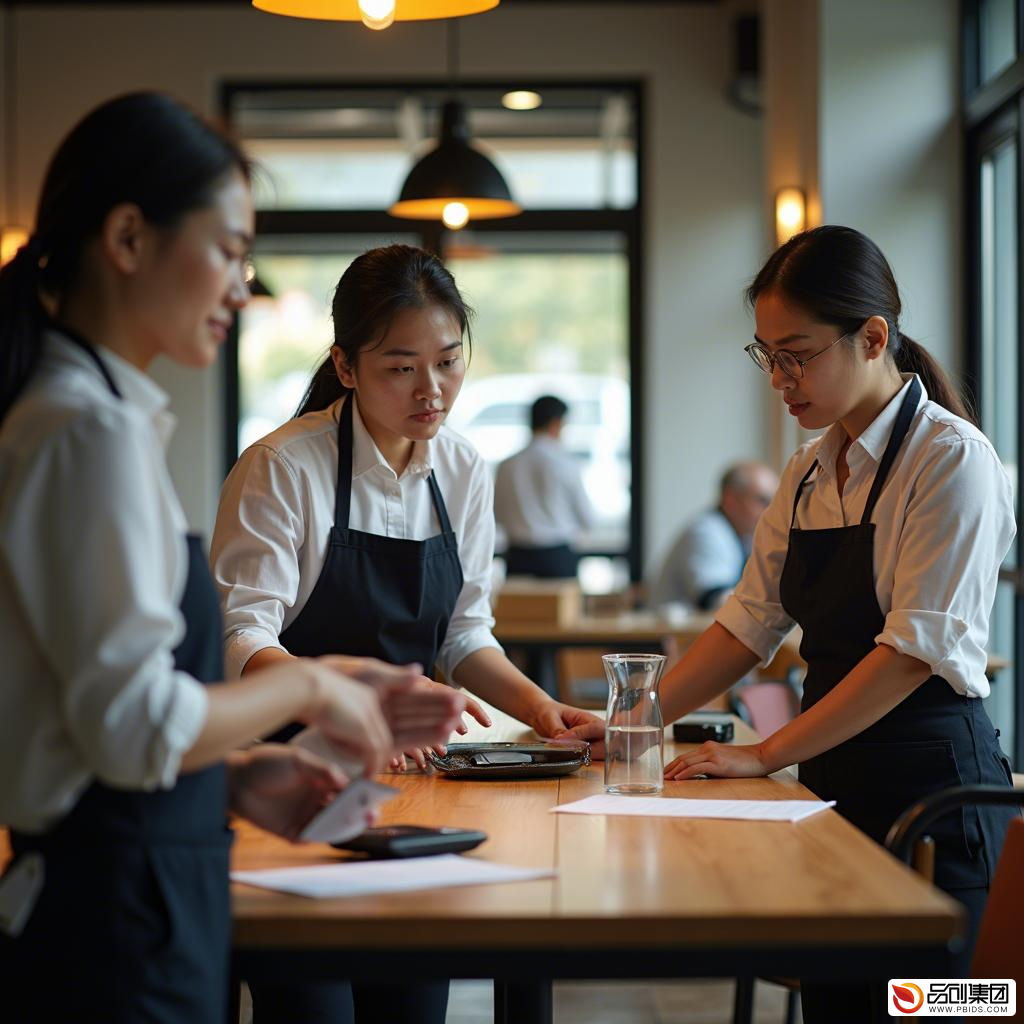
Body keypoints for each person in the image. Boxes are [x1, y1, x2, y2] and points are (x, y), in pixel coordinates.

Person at [0, 93, 465, 1024]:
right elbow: (131, 722)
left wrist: (239, 776)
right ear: (128, 238)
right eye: (227, 249)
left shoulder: (102, 419)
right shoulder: (82, 432)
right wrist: (311, 689)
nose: (241, 288)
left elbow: (90, 717)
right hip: (114, 913)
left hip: (141, 878)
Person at [560, 226, 1018, 1022]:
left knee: (938, 1010)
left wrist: (765, 754)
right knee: (842, 1007)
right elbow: (747, 624)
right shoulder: (810, 469)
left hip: (933, 789)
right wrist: (632, 722)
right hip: (833, 783)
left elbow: (912, 652)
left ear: (873, 337)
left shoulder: (952, 460)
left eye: (797, 353)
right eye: (767, 354)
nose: (780, 377)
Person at [209, 242, 602, 1024]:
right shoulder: (284, 468)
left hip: (416, 788)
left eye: (449, 362)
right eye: (401, 367)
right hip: (291, 784)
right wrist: (342, 708)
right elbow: (241, 635)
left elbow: (463, 636)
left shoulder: (464, 469)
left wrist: (539, 708)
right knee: (313, 1007)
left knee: (411, 1004)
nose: (433, 390)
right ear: (346, 367)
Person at [649, 461, 779, 610]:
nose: (770, 510)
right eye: (762, 500)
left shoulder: (745, 537)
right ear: (730, 500)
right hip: (670, 632)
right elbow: (715, 599)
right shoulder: (705, 533)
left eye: (773, 503)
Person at [493, 393, 596, 578]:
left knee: (521, 608)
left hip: (518, 557)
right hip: (558, 556)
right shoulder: (565, 463)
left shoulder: (507, 465)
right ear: (556, 423)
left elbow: (497, 515)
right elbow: (587, 517)